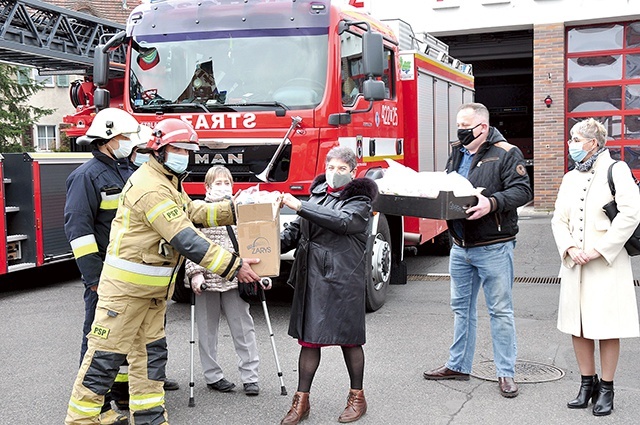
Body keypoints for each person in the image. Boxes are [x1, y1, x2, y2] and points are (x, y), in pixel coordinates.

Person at [64, 118, 261, 425]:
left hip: (152, 295)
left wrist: (238, 209)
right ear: (159, 150)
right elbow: (185, 238)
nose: (185, 154)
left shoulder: (167, 179)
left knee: (149, 360)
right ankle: (82, 420)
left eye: (187, 149)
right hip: (125, 295)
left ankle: (150, 418)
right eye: (178, 148)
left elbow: (192, 212)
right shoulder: (150, 187)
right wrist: (235, 266)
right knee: (104, 360)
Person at [423, 102, 532, 398]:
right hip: (460, 246)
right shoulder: (458, 151)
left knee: (500, 311)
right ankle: (458, 365)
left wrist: (491, 203)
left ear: (482, 127)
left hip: (494, 246)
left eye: (466, 125)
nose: (460, 130)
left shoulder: (507, 153)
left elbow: (523, 191)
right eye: (458, 124)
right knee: (461, 309)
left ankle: (506, 373)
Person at [64, 107, 152, 425]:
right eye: (127, 137)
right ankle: (95, 408)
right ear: (111, 139)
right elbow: (79, 231)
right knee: (98, 341)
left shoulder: (127, 172)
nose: (131, 142)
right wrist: (93, 279)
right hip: (105, 278)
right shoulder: (86, 177)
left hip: (130, 274)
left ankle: (122, 393)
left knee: (129, 338)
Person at [279, 146, 378, 425]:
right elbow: (296, 230)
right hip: (312, 276)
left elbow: (343, 222)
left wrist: (300, 206)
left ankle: (357, 397)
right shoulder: (318, 194)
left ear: (353, 171)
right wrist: (263, 248)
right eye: (331, 168)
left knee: (349, 339)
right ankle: (301, 401)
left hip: (343, 278)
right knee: (309, 340)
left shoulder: (360, 201)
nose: (334, 174)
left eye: (341, 169)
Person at [551, 118, 640, 416]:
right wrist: (570, 248)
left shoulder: (617, 170)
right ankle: (586, 385)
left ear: (593, 143)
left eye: (576, 139)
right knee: (578, 326)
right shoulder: (569, 178)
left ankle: (607, 389)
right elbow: (558, 219)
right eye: (571, 139)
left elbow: (630, 215)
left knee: (606, 327)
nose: (571, 145)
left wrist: (599, 250)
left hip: (607, 266)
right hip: (575, 265)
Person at [185, 165, 261, 396]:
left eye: (227, 182)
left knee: (243, 329)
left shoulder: (240, 210)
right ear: (207, 187)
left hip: (235, 278)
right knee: (207, 331)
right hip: (207, 279)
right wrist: (195, 274)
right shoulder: (199, 211)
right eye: (218, 183)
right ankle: (213, 376)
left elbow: (254, 241)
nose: (224, 187)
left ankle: (250, 377)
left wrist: (261, 271)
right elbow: (190, 245)